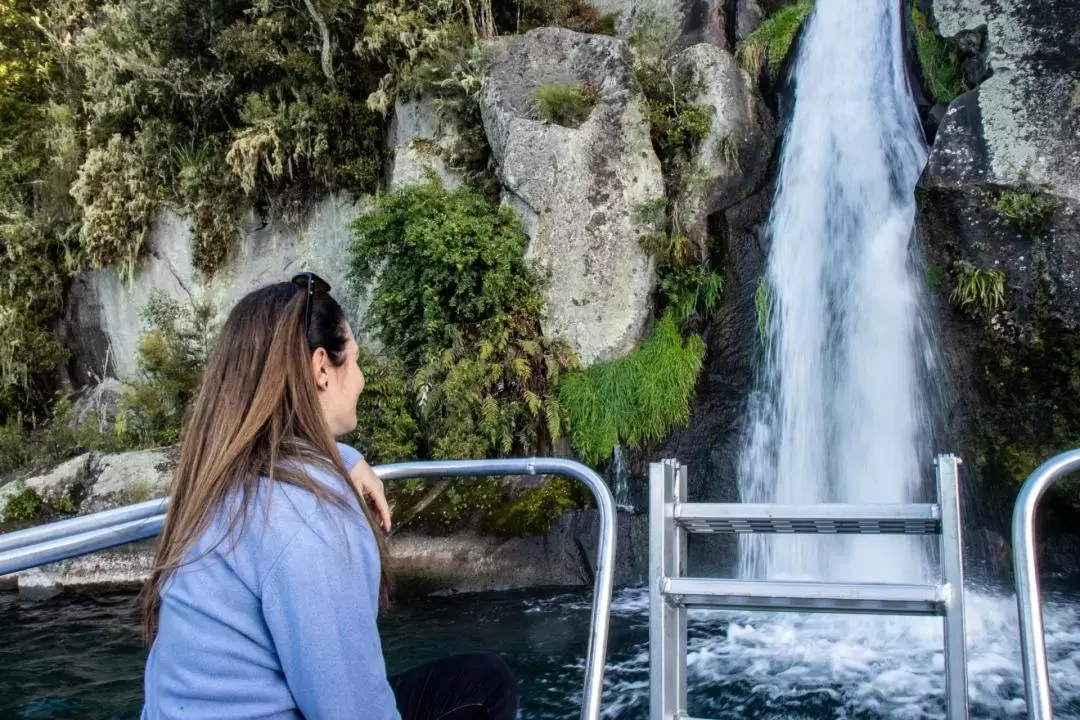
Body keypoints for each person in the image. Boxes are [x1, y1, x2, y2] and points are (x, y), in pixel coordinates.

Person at [140, 273, 518, 720]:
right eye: (354, 362)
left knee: (481, 681)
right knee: (488, 688)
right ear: (321, 369)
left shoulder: (218, 482)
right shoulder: (310, 517)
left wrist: (344, 457)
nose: (359, 380)